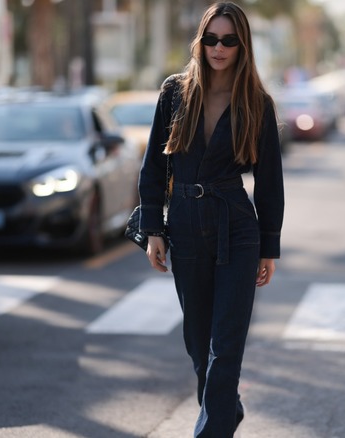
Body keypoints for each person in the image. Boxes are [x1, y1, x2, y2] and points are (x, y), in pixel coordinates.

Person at [137, 2, 284, 436]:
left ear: (243, 46)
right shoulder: (174, 92)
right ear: (200, 42)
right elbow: (153, 167)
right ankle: (225, 409)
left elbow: (270, 181)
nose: (219, 48)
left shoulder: (257, 103)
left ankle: (212, 429)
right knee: (199, 346)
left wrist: (269, 247)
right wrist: (153, 229)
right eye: (211, 39)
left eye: (229, 40)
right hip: (184, 224)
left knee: (227, 345)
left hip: (236, 227)